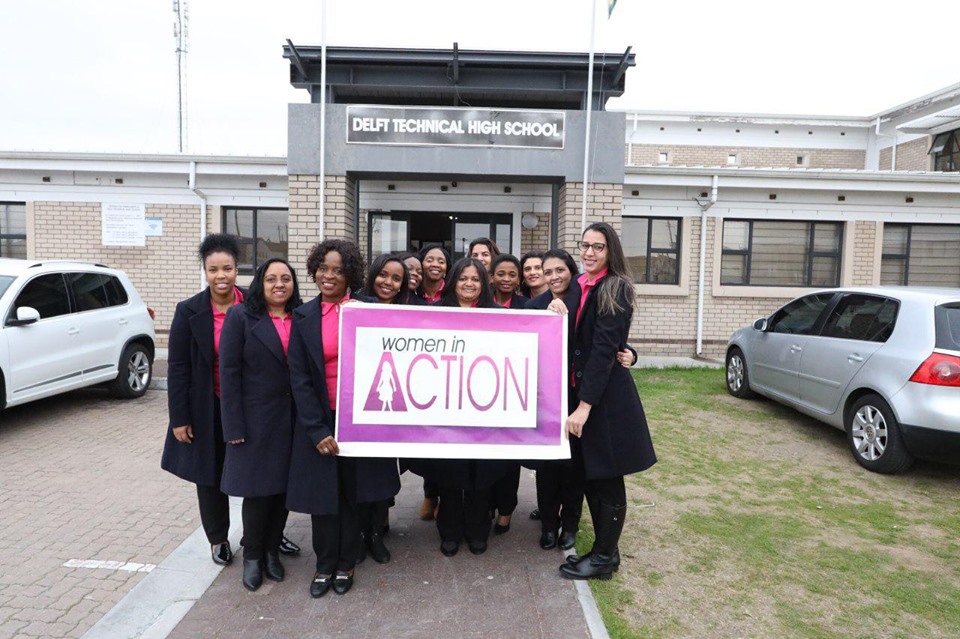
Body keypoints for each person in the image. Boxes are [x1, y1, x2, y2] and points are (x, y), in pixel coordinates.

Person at [286, 240, 400, 598]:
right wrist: (316, 430)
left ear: (350, 273)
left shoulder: (369, 309)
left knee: (352, 495)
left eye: (337, 270)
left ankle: (346, 563)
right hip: (320, 421)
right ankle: (324, 565)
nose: (329, 276)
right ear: (314, 270)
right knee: (322, 497)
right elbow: (299, 379)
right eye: (323, 268)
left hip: (358, 419)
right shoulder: (303, 316)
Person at [552, 222, 658, 580]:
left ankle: (603, 558)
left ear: (610, 251)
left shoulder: (616, 288)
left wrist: (584, 407)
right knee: (591, 476)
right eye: (585, 245)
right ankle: (605, 553)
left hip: (604, 400)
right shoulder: (578, 285)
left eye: (598, 247)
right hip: (581, 394)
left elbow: (602, 350)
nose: (589, 252)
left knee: (607, 477)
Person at [411, 258, 513, 556]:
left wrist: (555, 308)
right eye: (463, 278)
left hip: (486, 410)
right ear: (453, 281)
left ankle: (478, 530)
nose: (469, 284)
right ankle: (450, 532)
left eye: (476, 279)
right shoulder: (434, 314)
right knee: (449, 475)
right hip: (446, 409)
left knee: (482, 475)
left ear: (485, 284)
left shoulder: (500, 316)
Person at [161, 234, 245, 567]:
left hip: (248, 406)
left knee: (257, 471)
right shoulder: (188, 311)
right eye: (213, 270)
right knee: (210, 476)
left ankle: (262, 534)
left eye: (227, 268)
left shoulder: (253, 304)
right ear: (205, 272)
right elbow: (178, 368)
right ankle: (218, 539)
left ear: (237, 269)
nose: (221, 276)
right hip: (207, 408)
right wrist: (179, 418)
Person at [218, 258, 301, 591]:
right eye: (271, 279)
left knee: (282, 490)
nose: (279, 284)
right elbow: (228, 373)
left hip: (292, 420)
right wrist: (233, 426)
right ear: (260, 284)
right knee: (257, 492)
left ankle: (271, 551)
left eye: (285, 278)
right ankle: (252, 554)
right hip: (255, 420)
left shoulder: (301, 316)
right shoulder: (240, 316)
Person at [525, 248, 586, 551]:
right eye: (547, 272)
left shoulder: (585, 301)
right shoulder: (534, 305)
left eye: (559, 270)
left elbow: (602, 339)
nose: (553, 276)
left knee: (575, 464)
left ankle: (570, 525)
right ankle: (549, 524)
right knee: (547, 466)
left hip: (577, 396)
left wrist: (630, 353)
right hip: (545, 396)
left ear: (571, 271)